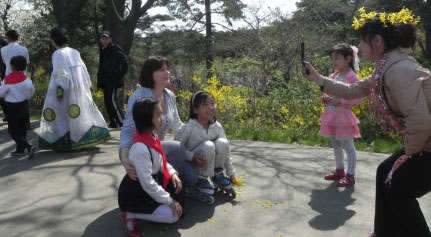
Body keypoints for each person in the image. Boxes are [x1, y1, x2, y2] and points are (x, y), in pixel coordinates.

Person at [302, 7, 431, 237]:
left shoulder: (398, 70)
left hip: (427, 141)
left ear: (377, 41)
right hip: (426, 139)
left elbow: (420, 122)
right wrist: (318, 79)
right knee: (385, 171)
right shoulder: (386, 67)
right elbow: (353, 90)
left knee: (398, 186)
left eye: (362, 41)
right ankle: (385, 232)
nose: (359, 47)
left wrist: (409, 156)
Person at [119, 56, 197, 189]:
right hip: (141, 150)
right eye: (161, 70)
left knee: (191, 177)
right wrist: (125, 158)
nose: (167, 73)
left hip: (158, 148)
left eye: (168, 69)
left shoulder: (169, 95)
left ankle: (167, 182)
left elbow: (178, 125)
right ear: (150, 74)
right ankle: (160, 187)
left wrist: (199, 133)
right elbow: (127, 131)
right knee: (177, 148)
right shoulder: (139, 96)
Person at [118, 98, 184, 236]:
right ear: (146, 118)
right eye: (158, 115)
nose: (163, 118)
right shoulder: (140, 148)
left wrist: (172, 173)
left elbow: (161, 161)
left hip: (150, 183)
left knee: (180, 203)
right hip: (137, 193)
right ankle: (130, 213)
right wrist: (170, 201)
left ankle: (151, 211)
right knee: (173, 215)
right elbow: (147, 184)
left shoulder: (151, 136)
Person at [38, 27, 110, 151]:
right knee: (79, 113)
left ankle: (65, 142)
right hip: (79, 88)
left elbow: (62, 74)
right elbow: (83, 70)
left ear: (54, 39)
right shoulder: (74, 51)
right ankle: (80, 139)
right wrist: (88, 86)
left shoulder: (58, 54)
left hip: (66, 89)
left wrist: (60, 93)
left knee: (61, 114)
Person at [174, 91, 236, 198]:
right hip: (192, 165)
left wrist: (231, 173)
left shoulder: (217, 126)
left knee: (223, 143)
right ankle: (200, 179)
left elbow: (227, 152)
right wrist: (191, 156)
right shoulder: (189, 128)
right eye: (205, 105)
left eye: (212, 103)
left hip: (209, 164)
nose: (210, 108)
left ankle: (217, 175)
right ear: (195, 109)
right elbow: (175, 148)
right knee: (208, 145)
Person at [320, 43, 362, 187]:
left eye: (337, 58)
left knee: (348, 146)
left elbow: (359, 97)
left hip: (344, 117)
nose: (334, 62)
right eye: (332, 58)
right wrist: (325, 98)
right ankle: (340, 170)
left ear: (348, 58)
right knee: (336, 144)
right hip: (331, 116)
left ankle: (350, 175)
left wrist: (342, 101)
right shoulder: (334, 75)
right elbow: (329, 90)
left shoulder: (352, 77)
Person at [0, 55, 36, 158]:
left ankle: (28, 146)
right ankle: (20, 150)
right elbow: (30, 93)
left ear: (12, 67)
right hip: (24, 106)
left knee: (12, 130)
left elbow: (1, 94)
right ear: (25, 68)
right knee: (22, 129)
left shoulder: (7, 80)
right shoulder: (27, 80)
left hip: (11, 108)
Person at [97, 31, 129, 129]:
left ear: (110, 39)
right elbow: (102, 67)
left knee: (112, 101)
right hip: (105, 81)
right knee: (107, 101)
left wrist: (119, 75)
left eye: (106, 38)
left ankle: (123, 123)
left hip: (113, 81)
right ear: (100, 40)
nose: (104, 40)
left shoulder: (115, 48)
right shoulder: (102, 50)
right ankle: (113, 123)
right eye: (103, 38)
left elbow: (125, 62)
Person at [0, 39, 8, 124]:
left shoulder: (2, 51)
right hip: (6, 74)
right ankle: (8, 115)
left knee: (2, 97)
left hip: (3, 75)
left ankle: (8, 115)